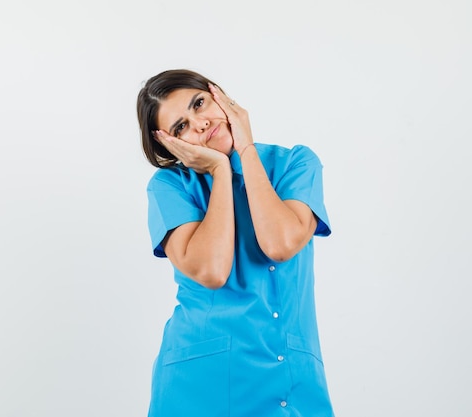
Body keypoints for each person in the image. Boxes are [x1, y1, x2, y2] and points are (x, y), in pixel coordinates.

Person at [136, 68, 335, 417]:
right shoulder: (170, 187)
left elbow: (281, 243)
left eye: (200, 104)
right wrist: (219, 171)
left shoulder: (295, 163)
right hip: (198, 386)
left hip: (291, 377)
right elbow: (211, 271)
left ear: (221, 97)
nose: (198, 124)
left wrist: (245, 149)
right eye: (180, 127)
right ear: (171, 145)